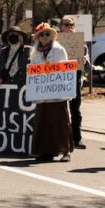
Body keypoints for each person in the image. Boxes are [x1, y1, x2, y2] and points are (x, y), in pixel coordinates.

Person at [28, 23, 73, 163]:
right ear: (38, 37)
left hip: (57, 93)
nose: (45, 37)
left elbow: (65, 69)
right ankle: (46, 151)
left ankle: (66, 151)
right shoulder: (35, 52)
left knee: (61, 122)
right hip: (42, 94)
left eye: (47, 34)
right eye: (42, 34)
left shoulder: (59, 50)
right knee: (44, 122)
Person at [57, 16, 88, 148]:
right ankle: (61, 138)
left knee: (76, 110)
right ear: (61, 27)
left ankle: (77, 138)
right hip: (59, 79)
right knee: (60, 110)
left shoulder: (80, 42)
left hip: (75, 78)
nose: (70, 27)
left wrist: (85, 60)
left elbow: (87, 63)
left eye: (72, 25)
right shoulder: (56, 41)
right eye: (66, 25)